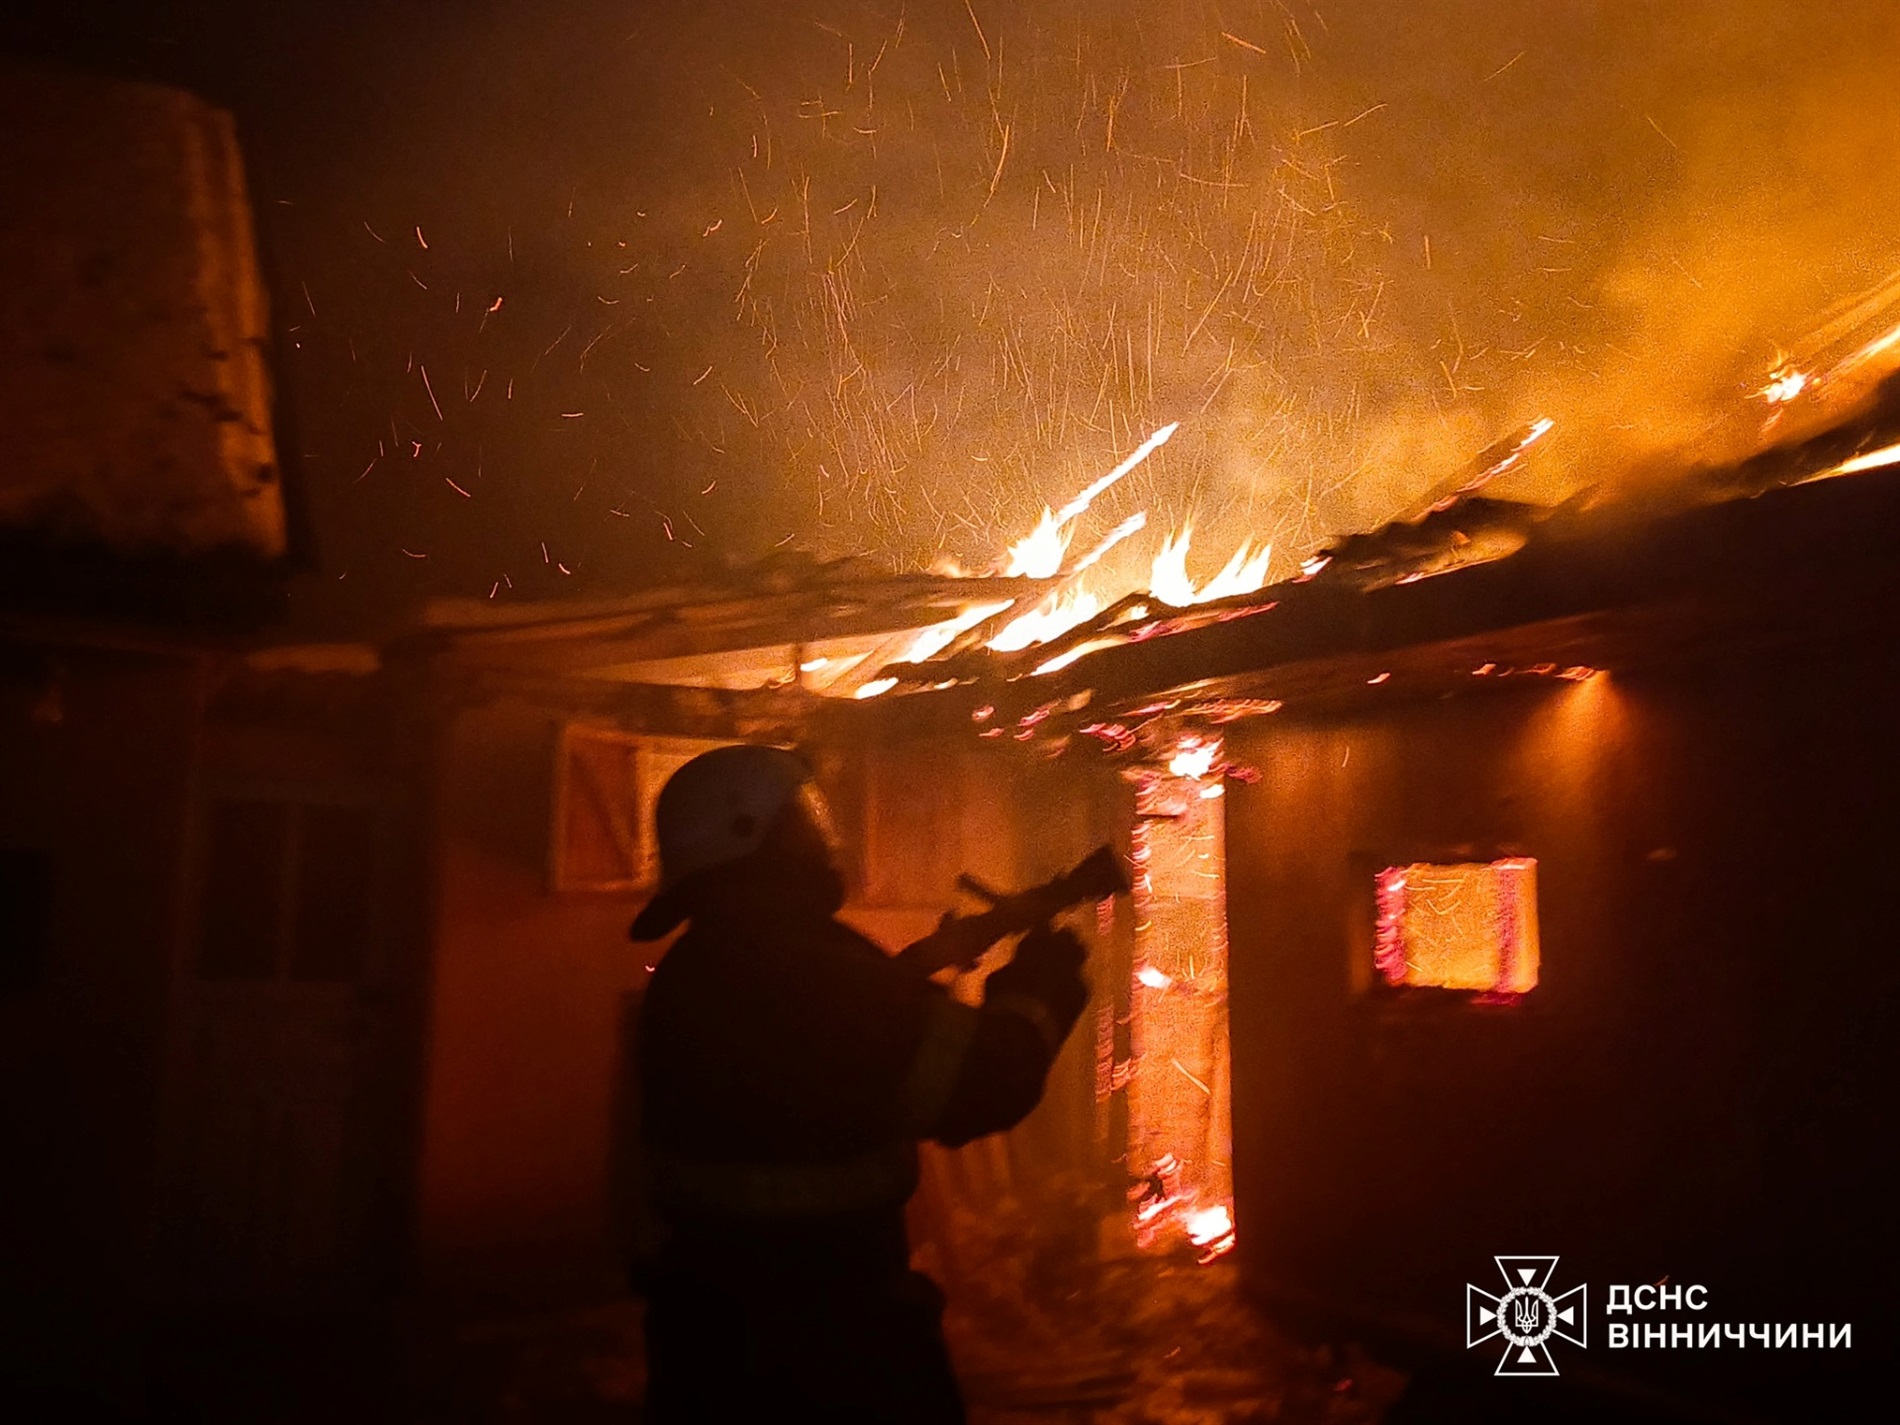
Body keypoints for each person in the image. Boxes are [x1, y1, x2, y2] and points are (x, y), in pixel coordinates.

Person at [629, 743, 1091, 1423]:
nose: (822, 836)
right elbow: (983, 1083)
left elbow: (816, 1055)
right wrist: (1040, 985)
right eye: (803, 818)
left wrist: (918, 968)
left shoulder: (702, 963)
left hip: (711, 1331)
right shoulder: (805, 967)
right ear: (751, 834)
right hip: (829, 1340)